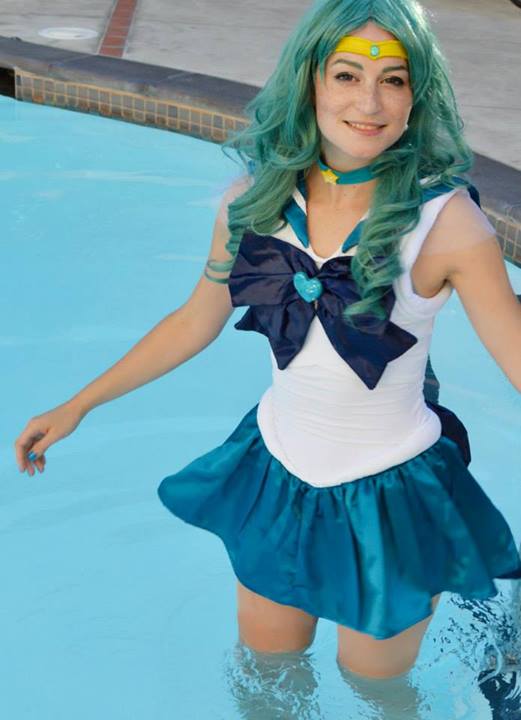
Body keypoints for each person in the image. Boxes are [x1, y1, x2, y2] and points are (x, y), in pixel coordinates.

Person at [14, 0, 521, 685]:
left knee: (375, 688)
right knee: (265, 674)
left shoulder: (447, 223)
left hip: (395, 499)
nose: (369, 102)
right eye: (346, 75)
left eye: (394, 80)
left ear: (416, 96)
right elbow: (194, 320)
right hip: (277, 475)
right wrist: (79, 404)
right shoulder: (252, 202)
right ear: (309, 82)